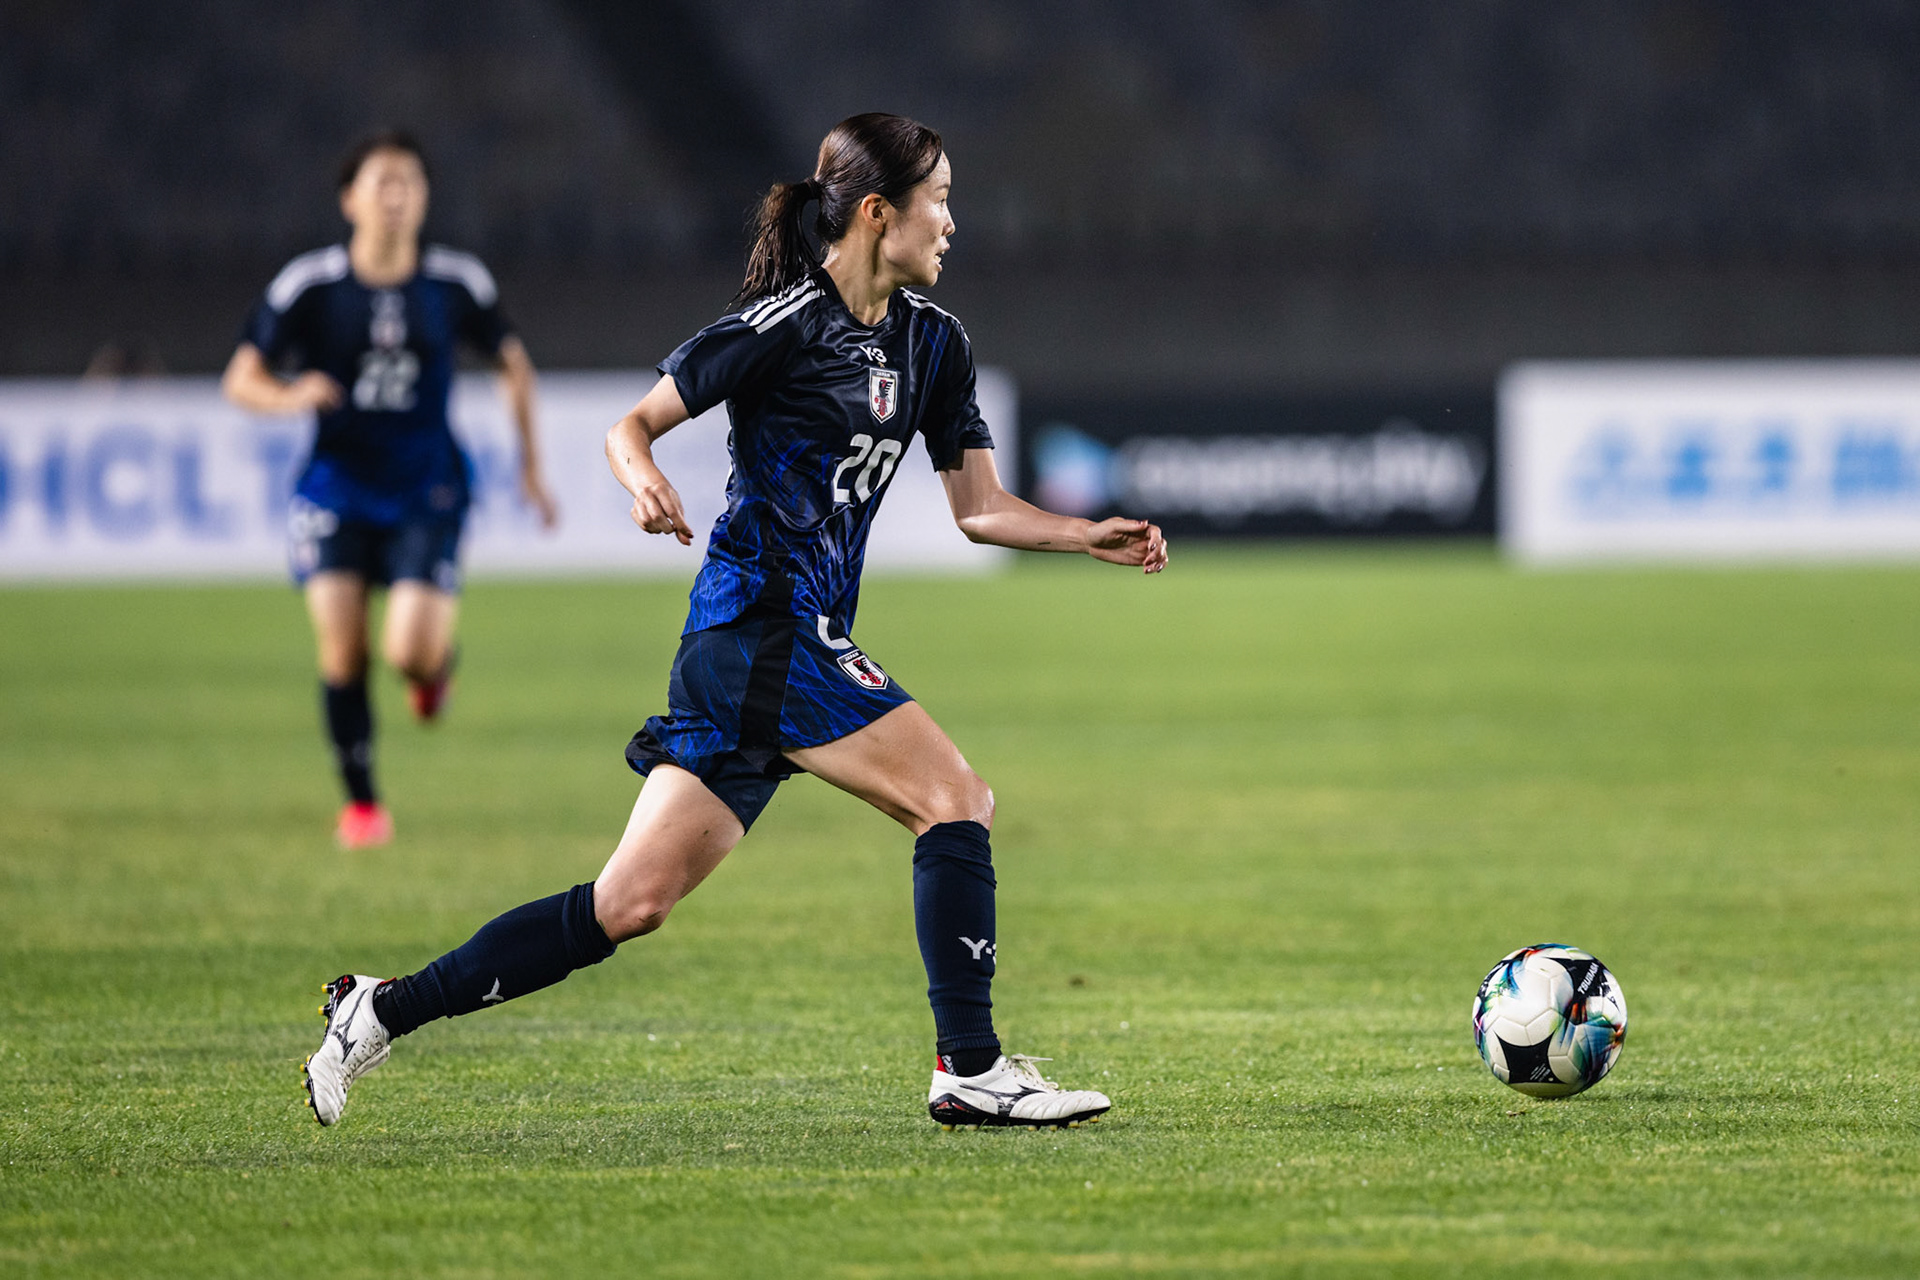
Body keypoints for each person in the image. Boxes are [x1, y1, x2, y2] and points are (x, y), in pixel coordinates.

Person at [302, 113, 1166, 1130]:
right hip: (759, 628)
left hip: (768, 653)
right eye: (938, 198)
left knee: (627, 904)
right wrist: (645, 482)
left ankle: (381, 1007)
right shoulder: (781, 324)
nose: (952, 221)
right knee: (956, 797)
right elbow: (634, 425)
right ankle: (969, 1066)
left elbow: (977, 508)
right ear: (877, 212)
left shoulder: (936, 342)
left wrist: (1082, 534)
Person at [223, 130, 558, 850]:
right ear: (350, 199)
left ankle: (433, 671)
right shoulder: (309, 285)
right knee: (343, 655)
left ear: (425, 198)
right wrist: (291, 395)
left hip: (426, 488)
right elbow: (241, 377)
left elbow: (514, 364)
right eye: (381, 183)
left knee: (407, 651)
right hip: (335, 489)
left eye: (410, 182)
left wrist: (532, 465)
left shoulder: (454, 282)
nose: (396, 196)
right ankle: (364, 805)